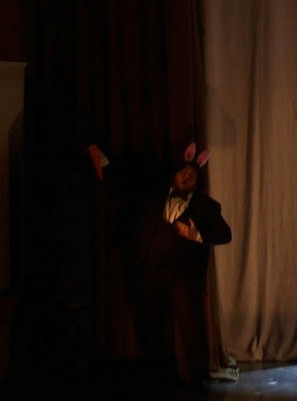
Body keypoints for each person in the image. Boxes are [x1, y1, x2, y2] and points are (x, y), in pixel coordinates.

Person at [90, 143, 233, 384]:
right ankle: (156, 377)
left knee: (191, 327)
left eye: (192, 175)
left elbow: (225, 234)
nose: (186, 177)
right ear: (174, 175)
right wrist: (102, 160)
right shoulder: (152, 197)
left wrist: (197, 236)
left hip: (182, 276)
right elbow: (121, 189)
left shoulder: (204, 206)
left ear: (197, 183)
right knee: (148, 326)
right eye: (183, 172)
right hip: (150, 271)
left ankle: (199, 378)